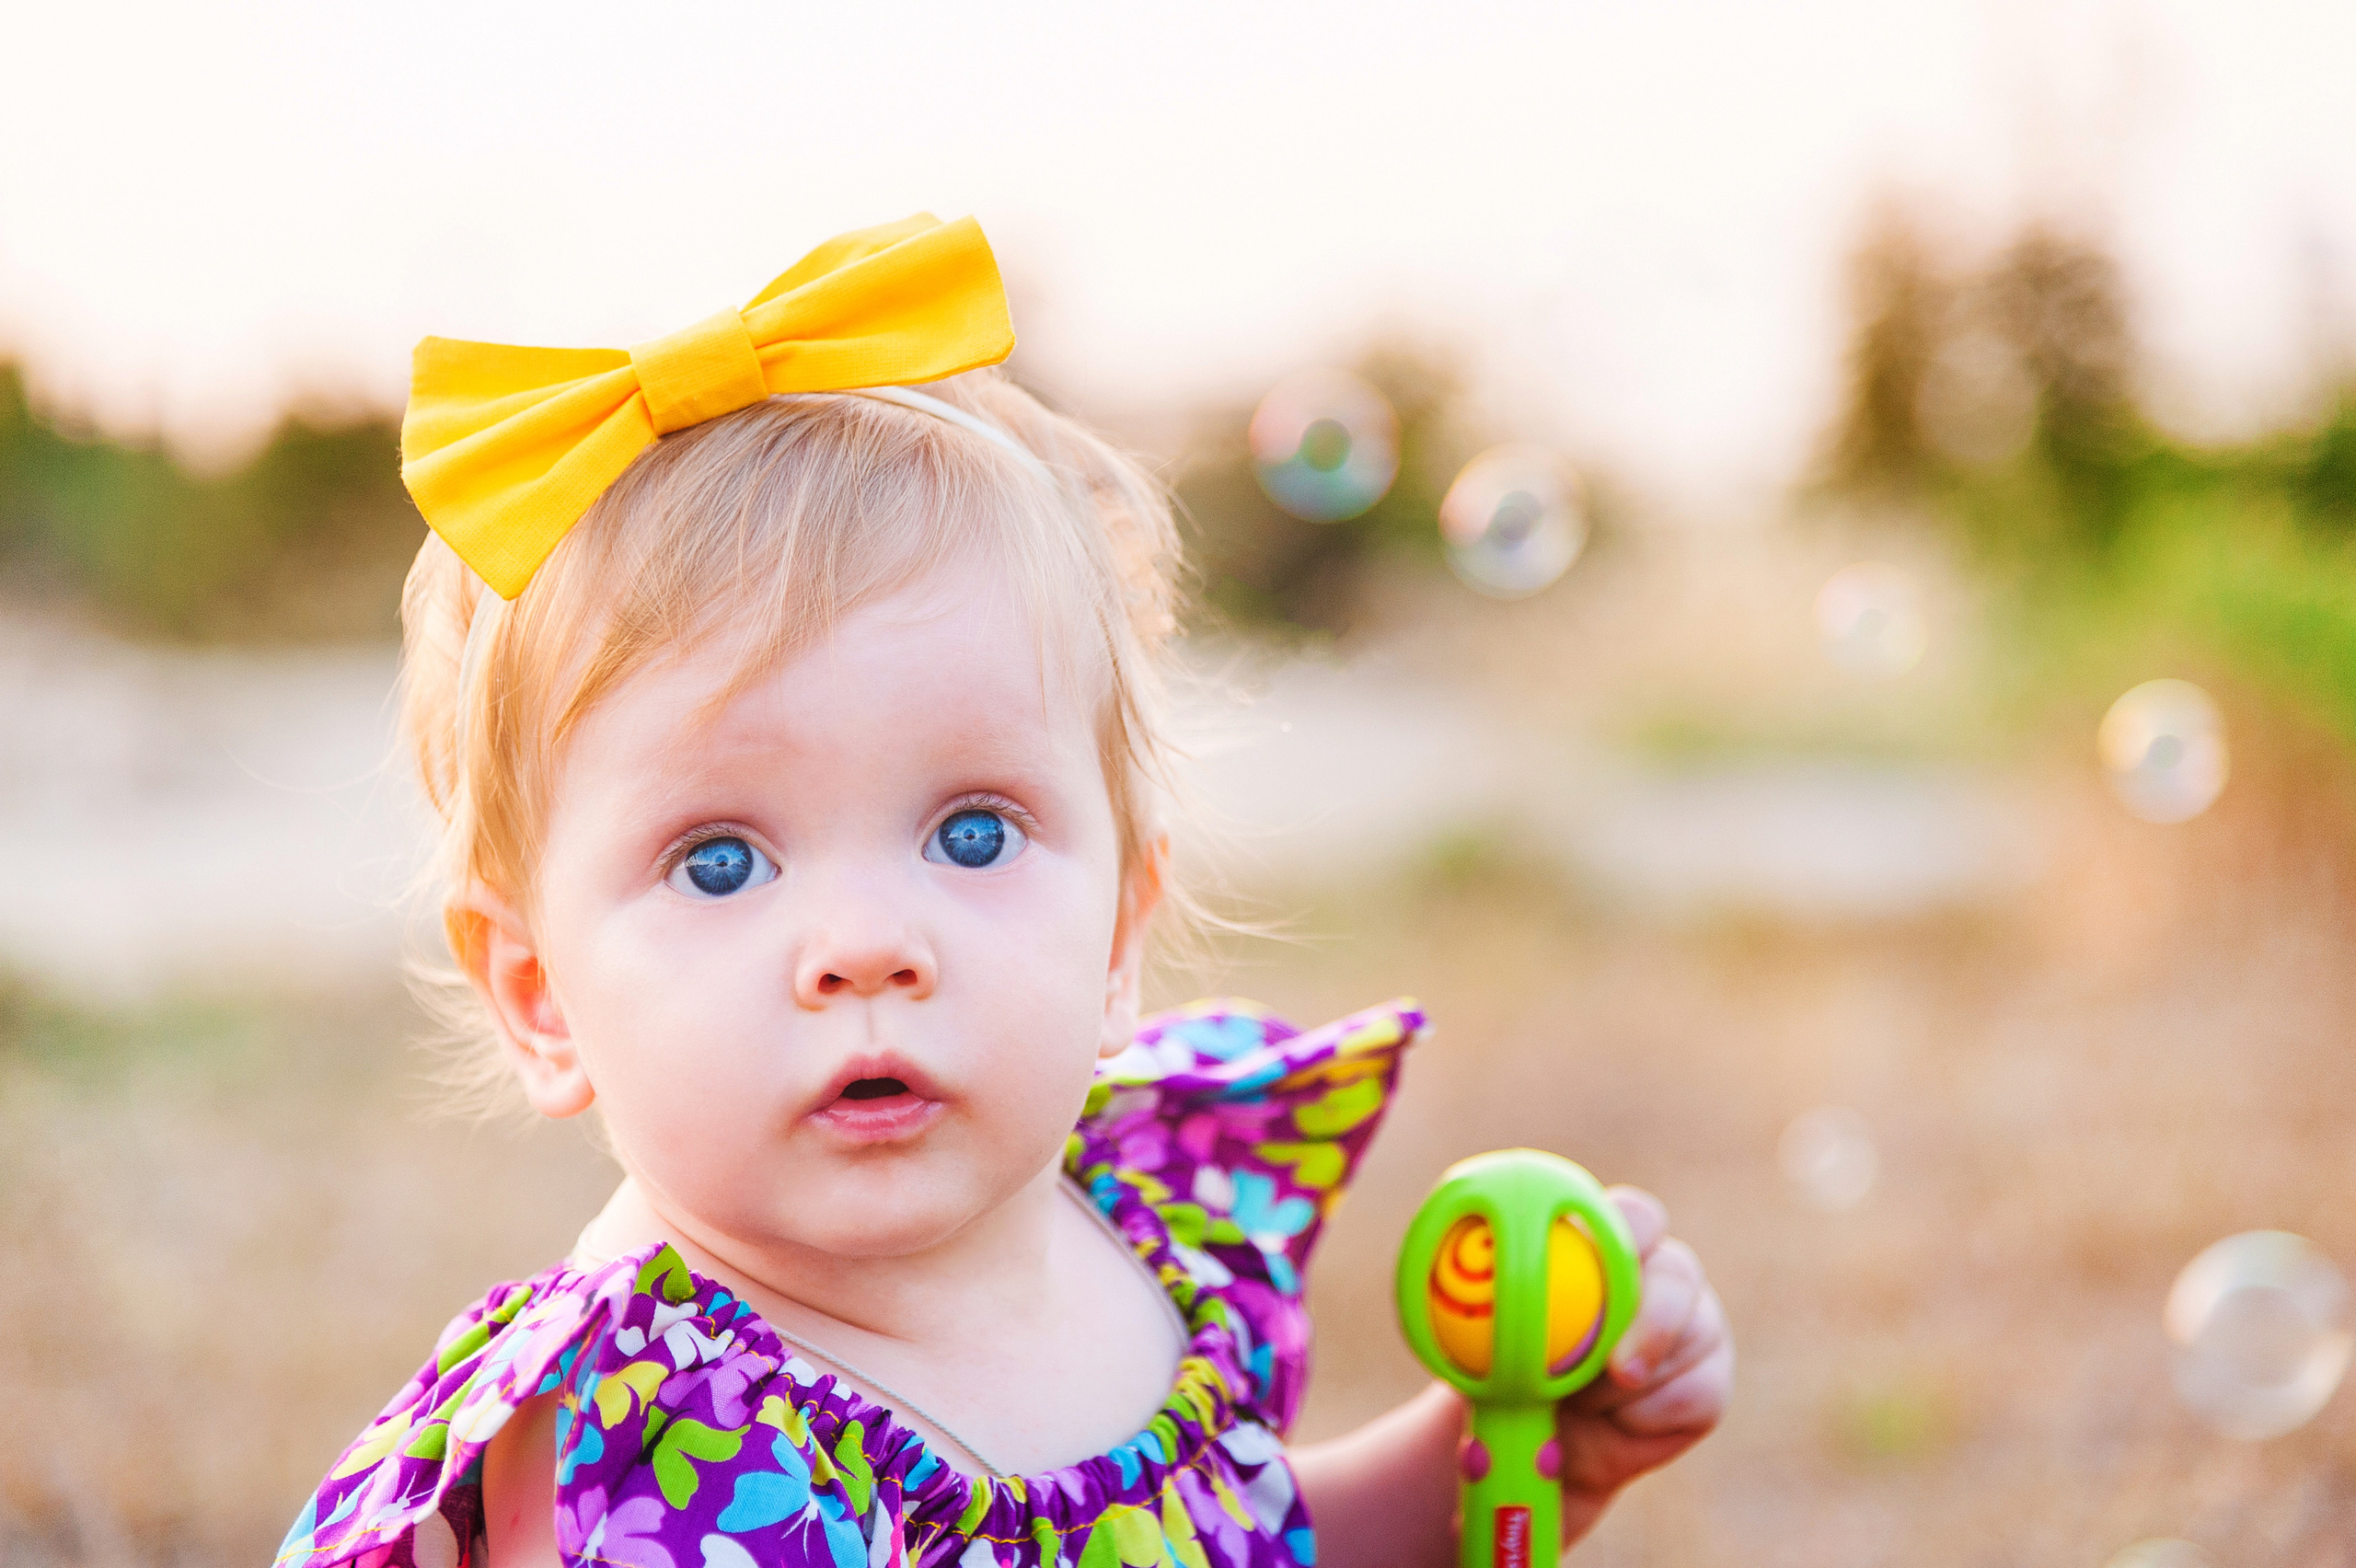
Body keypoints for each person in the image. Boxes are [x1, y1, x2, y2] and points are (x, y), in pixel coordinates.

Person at [280, 213, 1731, 1568]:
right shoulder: (652, 1460)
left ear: (1118, 931)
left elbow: (1249, 1537)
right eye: (719, 861)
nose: (864, 947)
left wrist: (1493, 1462)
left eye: (972, 835)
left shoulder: (1139, 1232)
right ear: (543, 999)